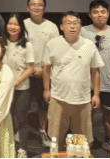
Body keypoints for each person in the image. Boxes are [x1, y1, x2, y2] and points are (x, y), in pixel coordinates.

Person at [43, 11, 104, 148]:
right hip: (58, 98)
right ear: (61, 27)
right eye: (68, 23)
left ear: (80, 27)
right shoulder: (52, 44)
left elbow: (95, 71)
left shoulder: (89, 45)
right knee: (56, 139)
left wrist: (96, 94)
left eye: (76, 23)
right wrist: (46, 89)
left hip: (82, 99)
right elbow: (46, 69)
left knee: (81, 141)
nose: (72, 26)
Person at [81, 0, 110, 152]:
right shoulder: (82, 31)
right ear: (90, 15)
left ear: (108, 14)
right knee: (87, 113)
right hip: (87, 82)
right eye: (95, 12)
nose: (99, 15)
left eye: (103, 12)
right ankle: (87, 139)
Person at [23, 0, 59, 147]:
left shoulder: (52, 27)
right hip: (24, 73)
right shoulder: (22, 24)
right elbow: (18, 48)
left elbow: (55, 51)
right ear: (28, 8)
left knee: (44, 104)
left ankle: (43, 131)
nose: (36, 7)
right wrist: (29, 69)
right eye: (33, 4)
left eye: (40, 5)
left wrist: (43, 69)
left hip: (44, 72)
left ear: (44, 8)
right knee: (22, 104)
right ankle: (20, 131)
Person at [3, 14, 35, 159]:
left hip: (21, 88)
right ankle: (8, 146)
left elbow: (30, 68)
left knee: (21, 119)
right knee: (6, 118)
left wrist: (16, 82)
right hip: (3, 88)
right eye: (10, 24)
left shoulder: (27, 45)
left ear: (21, 27)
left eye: (16, 24)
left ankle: (22, 149)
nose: (12, 27)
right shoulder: (1, 42)